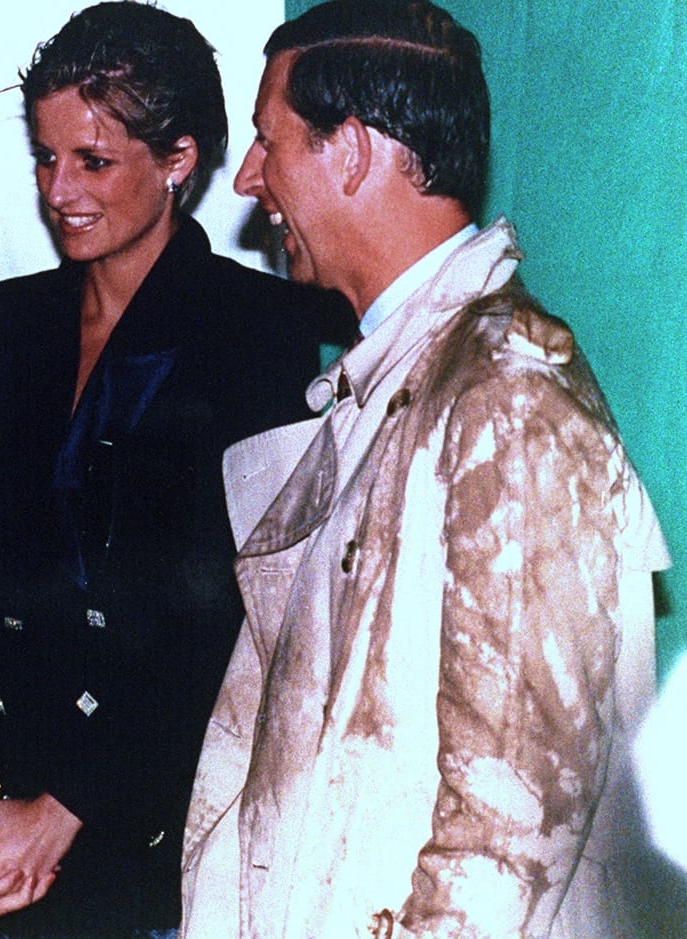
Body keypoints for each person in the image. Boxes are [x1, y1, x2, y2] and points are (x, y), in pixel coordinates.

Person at [177, 2, 670, 936]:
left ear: (351, 151)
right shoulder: (407, 382)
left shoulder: (508, 399)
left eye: (267, 142)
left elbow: (509, 827)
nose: (248, 179)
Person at [0, 3, 347, 935]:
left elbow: (225, 610)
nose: (59, 188)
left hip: (157, 831)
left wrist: (63, 810)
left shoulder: (259, 332)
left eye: (94, 161)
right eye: (45, 156)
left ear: (178, 161)